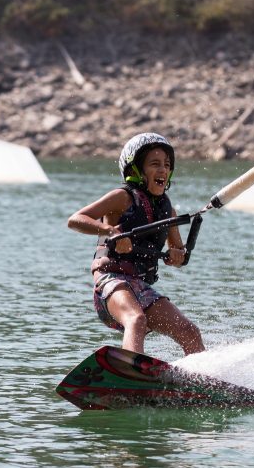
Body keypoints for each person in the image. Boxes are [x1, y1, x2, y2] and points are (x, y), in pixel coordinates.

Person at [68, 132, 205, 356]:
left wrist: (177, 256)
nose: (163, 170)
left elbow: (177, 252)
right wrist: (110, 231)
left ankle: (204, 382)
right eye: (155, 164)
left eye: (167, 165)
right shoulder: (121, 198)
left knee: (189, 331)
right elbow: (75, 220)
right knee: (136, 319)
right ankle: (132, 371)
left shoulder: (168, 212)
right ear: (135, 171)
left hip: (141, 287)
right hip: (111, 282)